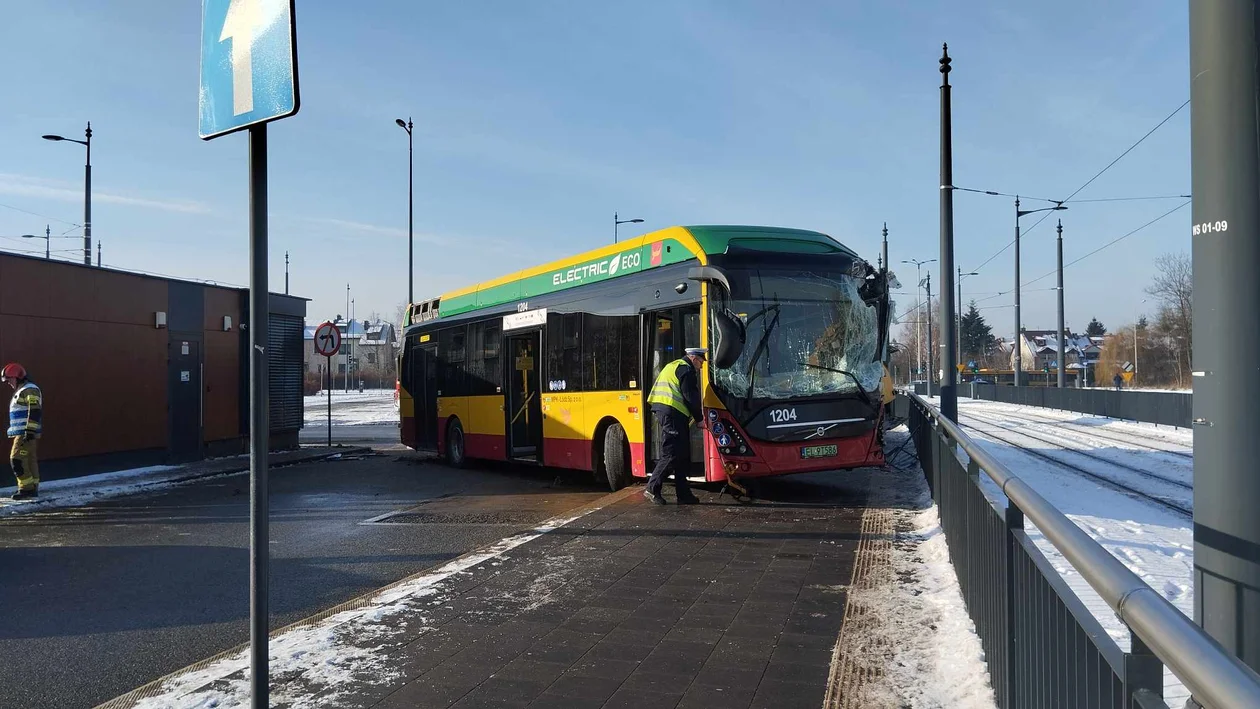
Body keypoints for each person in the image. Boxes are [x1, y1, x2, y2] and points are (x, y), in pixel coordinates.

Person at [644, 347, 706, 505]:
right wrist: (700, 419)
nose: (701, 366)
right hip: (672, 413)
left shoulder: (674, 365)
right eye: (700, 362)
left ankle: (684, 494)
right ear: (693, 358)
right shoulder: (686, 370)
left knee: (682, 454)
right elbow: (690, 396)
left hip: (670, 412)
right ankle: (652, 488)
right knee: (672, 453)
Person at [3, 363, 42, 500]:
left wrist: (29, 430)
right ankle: (33, 488)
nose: (8, 383)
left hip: (25, 433)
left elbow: (35, 410)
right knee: (29, 460)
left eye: (9, 380)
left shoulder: (29, 390)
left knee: (17, 459)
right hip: (26, 433)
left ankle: (26, 488)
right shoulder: (24, 390)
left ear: (17, 377)